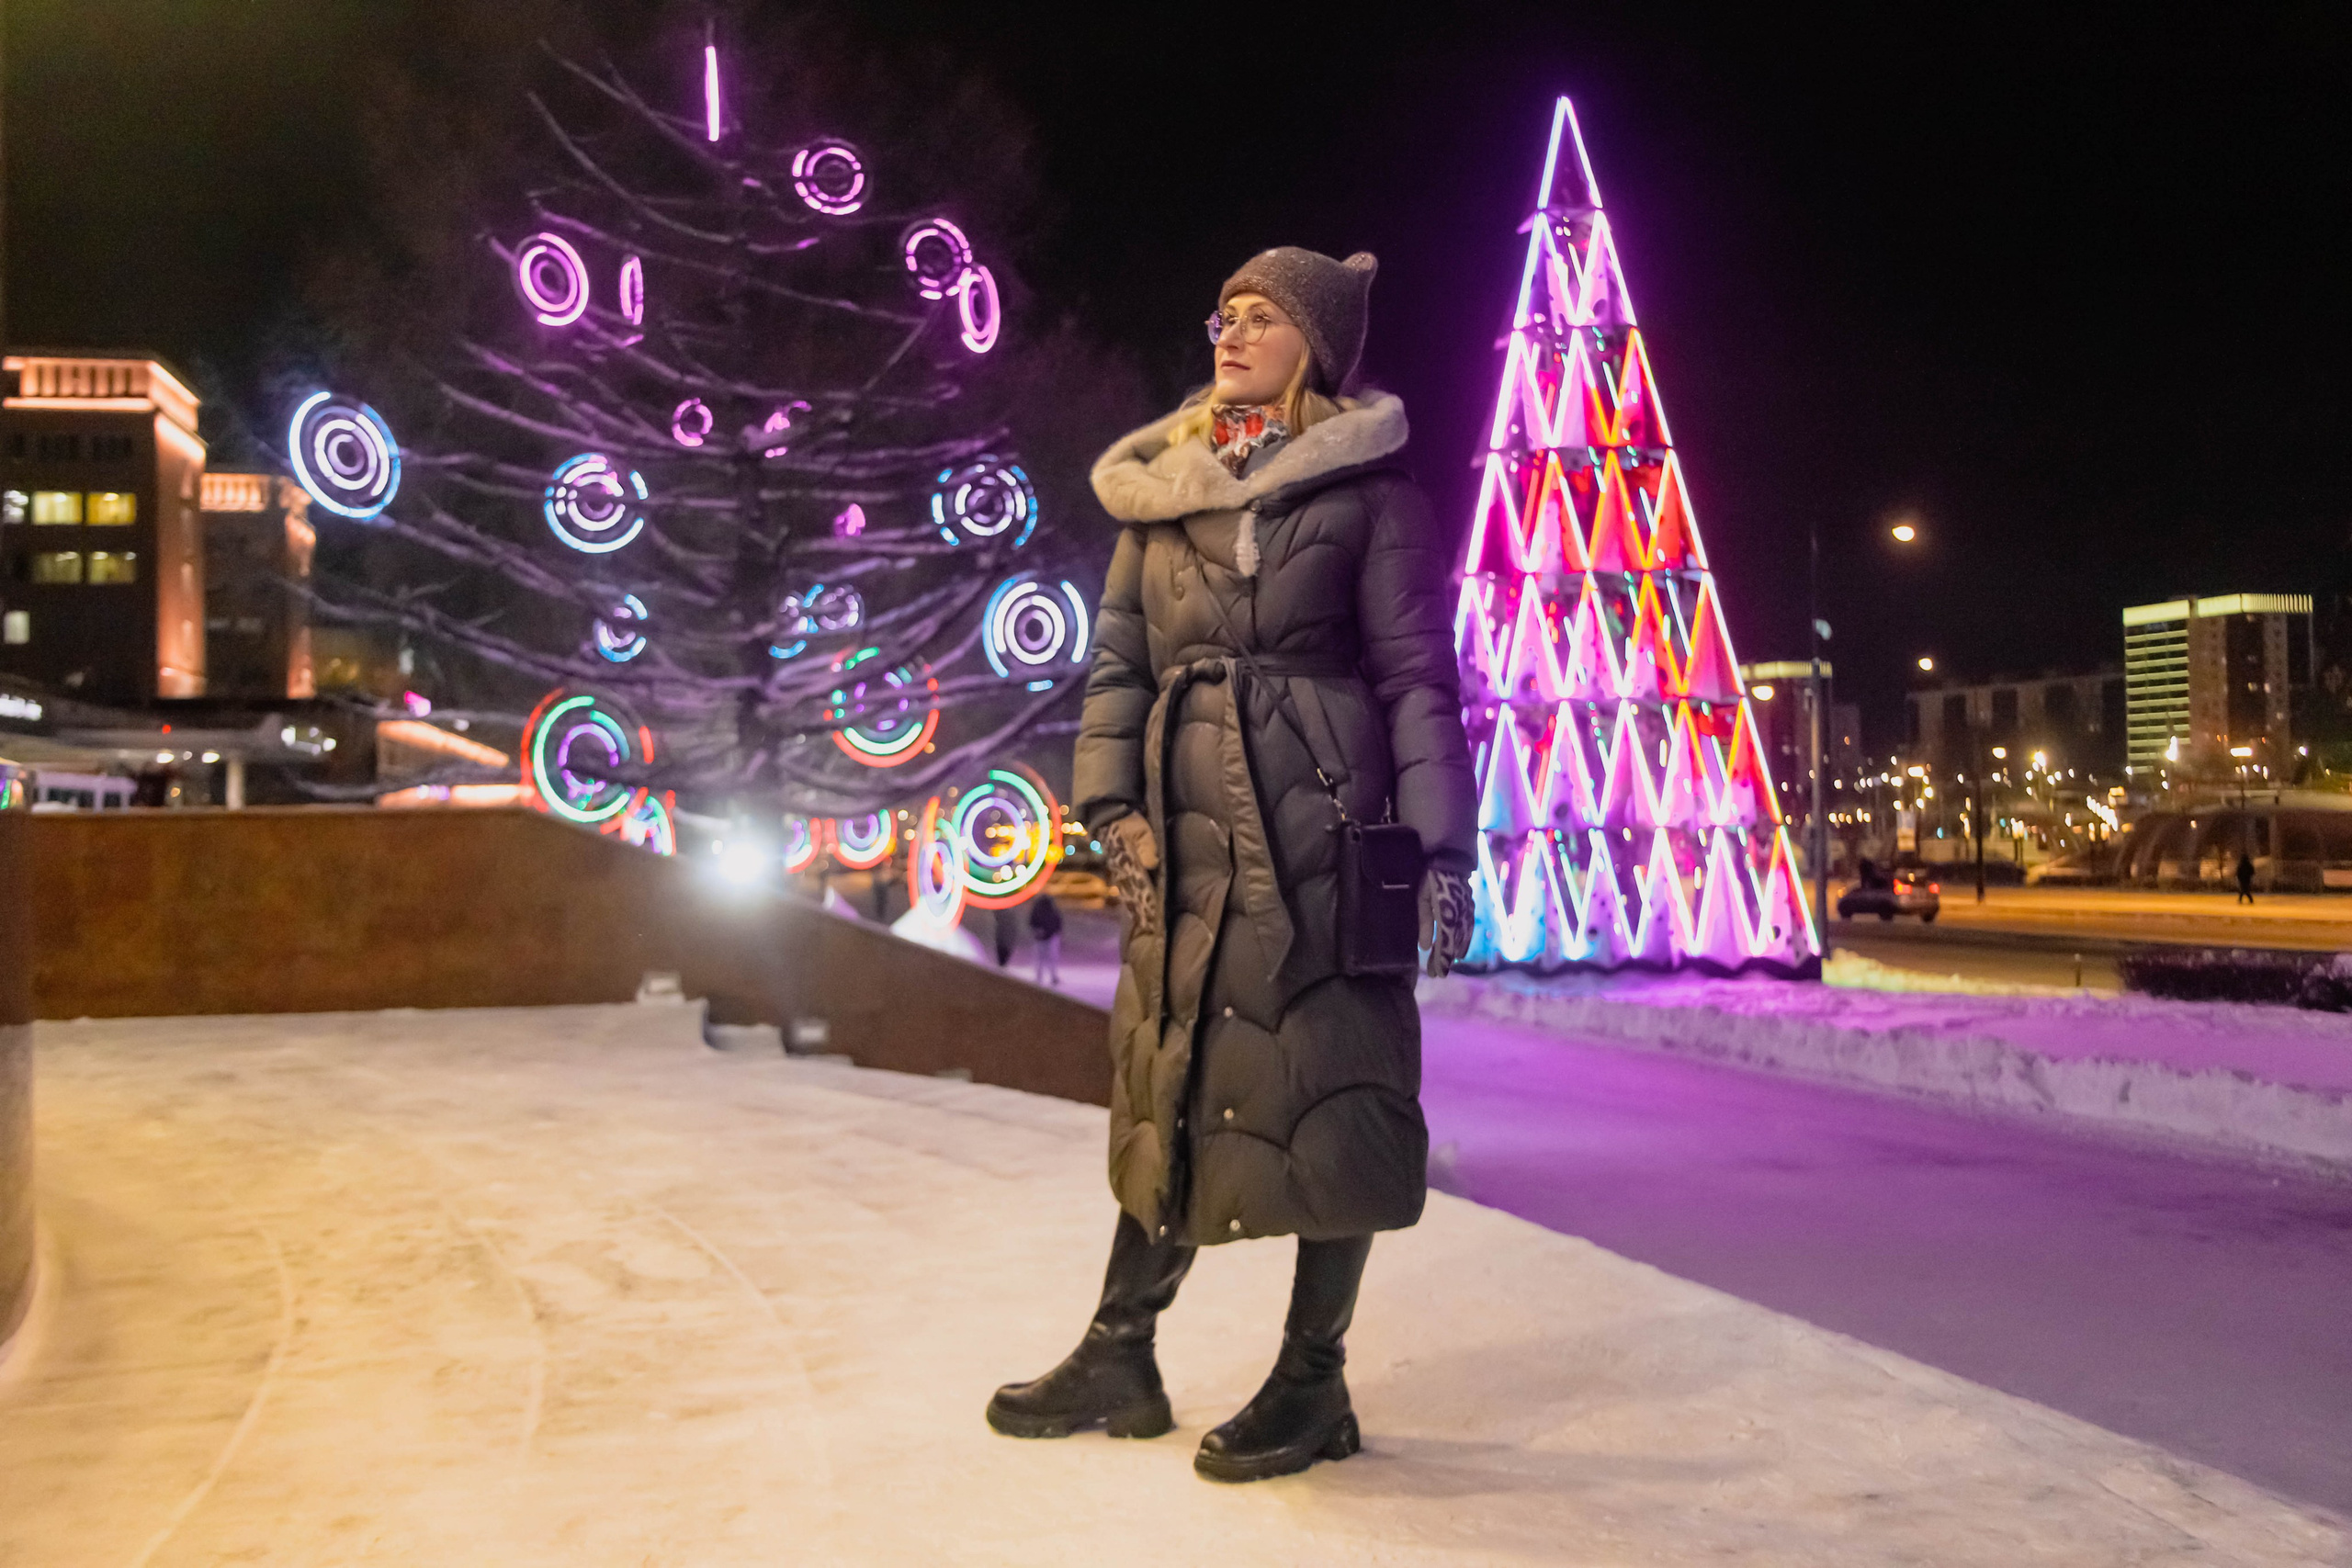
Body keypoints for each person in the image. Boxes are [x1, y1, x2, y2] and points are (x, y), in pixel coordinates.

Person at [987, 247, 1477, 1483]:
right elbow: (1117, 670)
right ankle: (1120, 1347)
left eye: (1261, 315)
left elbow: (1419, 679)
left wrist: (1437, 846)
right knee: (1175, 1076)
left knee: (1337, 1084)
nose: (1231, 330)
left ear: (1314, 343)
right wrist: (1113, 809)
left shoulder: (1373, 495)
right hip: (1186, 840)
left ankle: (1315, 1380)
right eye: (1225, 311)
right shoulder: (1162, 497)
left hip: (1324, 837)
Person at [1027, 891, 1064, 986]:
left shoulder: (1038, 911)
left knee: (1041, 958)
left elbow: (1032, 922)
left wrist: (1037, 931)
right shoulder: (1052, 911)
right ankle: (1051, 976)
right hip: (1050, 937)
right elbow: (1058, 923)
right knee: (1051, 958)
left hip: (1043, 937)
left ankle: (1041, 977)